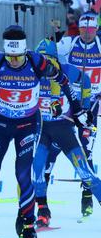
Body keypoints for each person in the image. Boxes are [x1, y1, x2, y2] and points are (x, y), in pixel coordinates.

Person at [0, 26, 86, 238]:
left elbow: (63, 79)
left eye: (19, 56)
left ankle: (29, 225)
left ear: (25, 51)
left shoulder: (37, 62)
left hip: (27, 126)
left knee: (22, 173)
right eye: (11, 57)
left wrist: (76, 107)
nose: (15, 61)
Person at [31, 39, 100, 226]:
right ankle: (42, 211)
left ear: (55, 59)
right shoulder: (33, 73)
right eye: (40, 59)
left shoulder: (65, 70)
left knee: (85, 173)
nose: (44, 64)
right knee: (37, 170)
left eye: (48, 60)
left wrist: (85, 108)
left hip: (63, 129)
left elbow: (85, 81)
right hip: (44, 129)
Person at [56, 11, 101, 217]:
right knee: (54, 145)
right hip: (69, 101)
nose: (87, 34)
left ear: (97, 29)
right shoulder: (69, 43)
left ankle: (87, 194)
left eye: (91, 30)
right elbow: (50, 56)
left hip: (91, 103)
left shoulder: (100, 46)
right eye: (84, 29)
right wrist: (55, 36)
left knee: (87, 150)